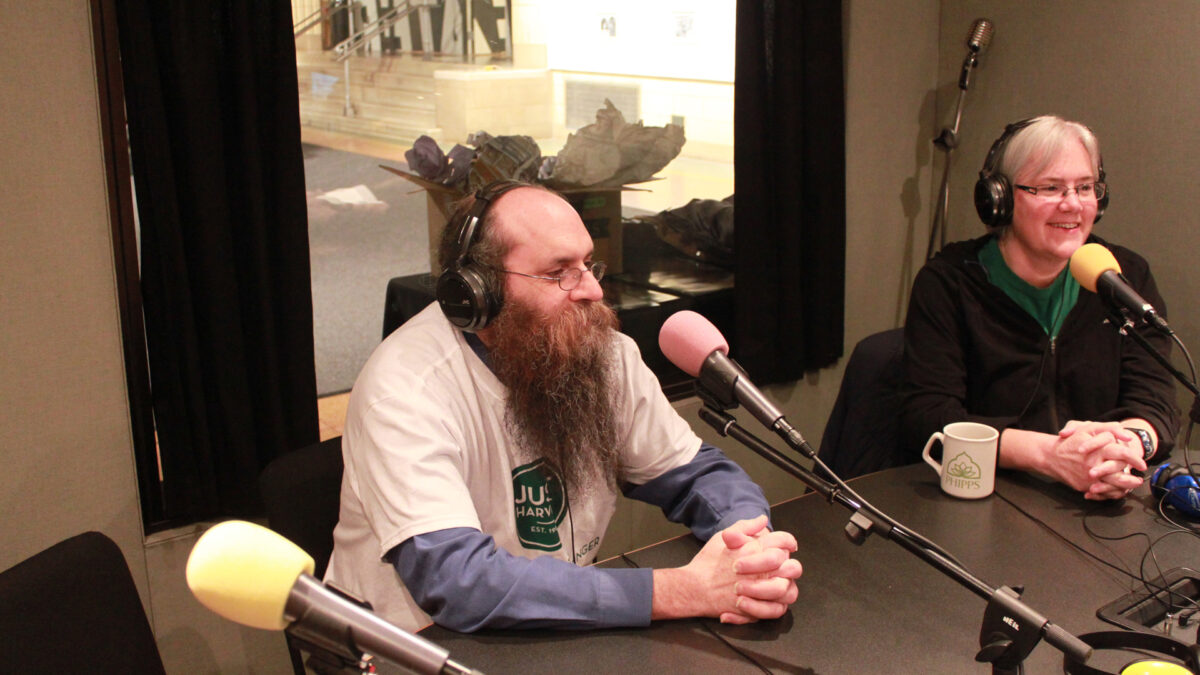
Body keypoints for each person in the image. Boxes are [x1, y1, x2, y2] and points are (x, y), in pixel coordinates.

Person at [325, 180, 802, 633]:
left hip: (554, 629)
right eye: (558, 273)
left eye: (588, 265)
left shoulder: (601, 354)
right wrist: (681, 591)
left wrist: (748, 546)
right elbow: (457, 581)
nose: (592, 291)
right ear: (477, 292)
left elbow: (698, 476)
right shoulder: (404, 389)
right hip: (413, 647)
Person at [902, 115, 1178, 501]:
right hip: (986, 495)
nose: (1072, 205)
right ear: (997, 198)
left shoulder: (1123, 276)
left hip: (1099, 494)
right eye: (1050, 188)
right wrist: (1049, 455)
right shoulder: (948, 283)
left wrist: (1128, 446)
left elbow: (1156, 397)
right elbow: (928, 415)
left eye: (1085, 187)